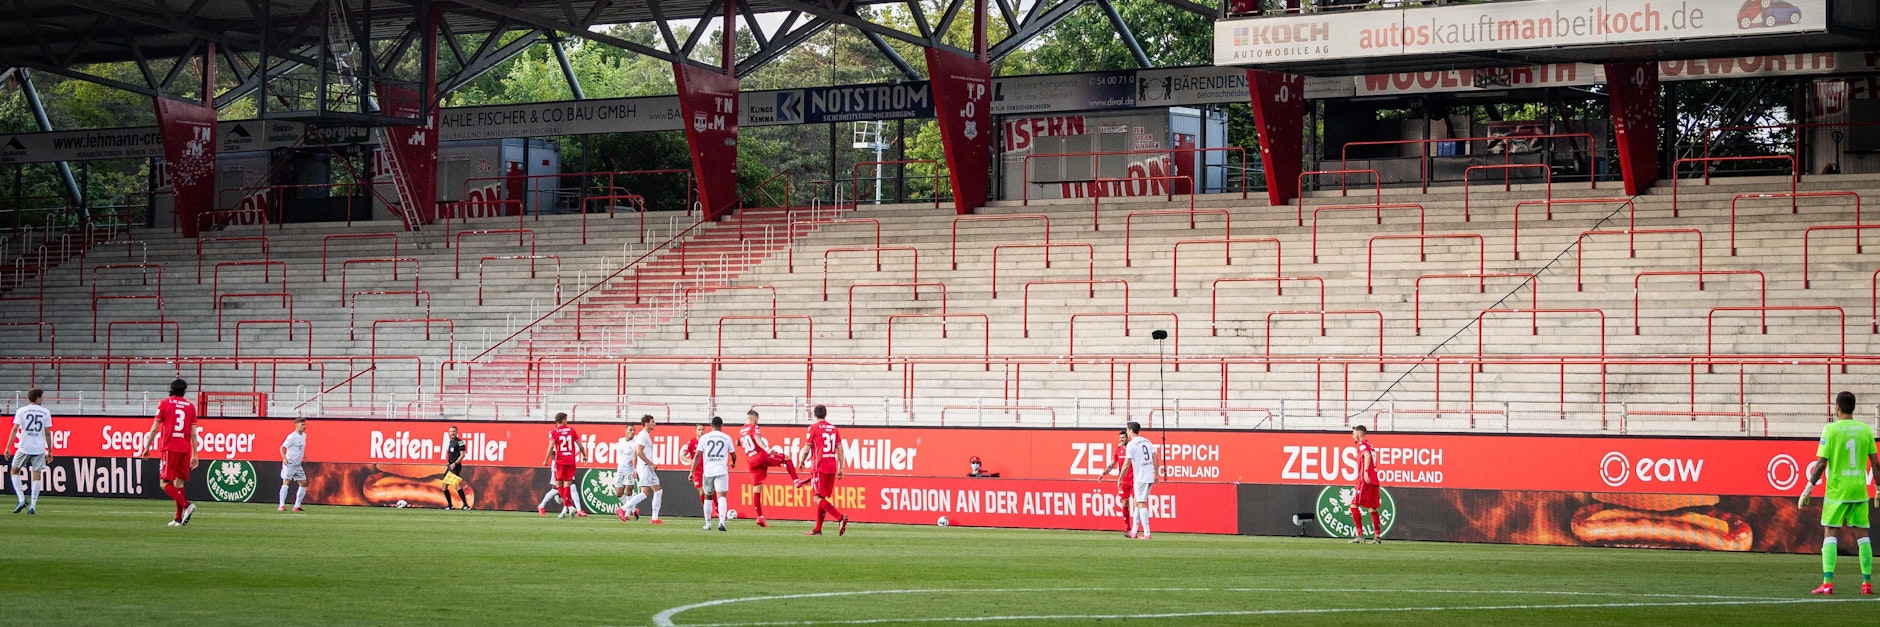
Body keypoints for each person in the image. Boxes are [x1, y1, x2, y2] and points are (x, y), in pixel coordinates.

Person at [1801, 391, 1879, 595]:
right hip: (1859, 490)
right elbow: (1876, 464)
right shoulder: (1865, 430)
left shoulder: (1830, 429)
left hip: (1837, 491)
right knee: (1863, 536)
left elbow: (1821, 463)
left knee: (1830, 532)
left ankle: (1827, 583)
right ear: (1853, 407)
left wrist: (1809, 487)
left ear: (1837, 407)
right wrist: (1878, 488)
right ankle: (1866, 584)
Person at [141, 379, 201, 527]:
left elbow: (154, 428)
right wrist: (195, 455)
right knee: (179, 482)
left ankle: (186, 505)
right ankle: (178, 518)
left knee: (164, 483)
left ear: (171, 389)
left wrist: (147, 447)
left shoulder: (164, 403)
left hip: (170, 447)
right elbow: (194, 434)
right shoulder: (190, 406)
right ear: (184, 390)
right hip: (185, 448)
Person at [738, 409, 798, 527]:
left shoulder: (741, 431)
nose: (757, 421)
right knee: (786, 458)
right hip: (760, 457)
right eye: (757, 419)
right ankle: (796, 480)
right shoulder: (754, 427)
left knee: (757, 487)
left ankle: (760, 517)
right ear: (754, 418)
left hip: (750, 461)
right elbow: (757, 438)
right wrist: (767, 448)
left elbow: (739, 442)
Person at [794, 405, 848, 536]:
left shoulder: (813, 428)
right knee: (822, 497)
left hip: (819, 467)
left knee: (816, 498)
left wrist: (801, 461)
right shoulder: (834, 429)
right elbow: (840, 449)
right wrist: (841, 468)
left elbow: (806, 448)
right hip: (832, 467)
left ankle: (840, 517)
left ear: (814, 415)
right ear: (826, 414)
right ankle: (818, 529)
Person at [7, 388, 51, 515]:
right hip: (39, 448)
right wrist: (50, 450)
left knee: (14, 471)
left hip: (24, 447)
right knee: (36, 475)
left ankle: (21, 499)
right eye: (41, 397)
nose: (42, 399)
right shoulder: (46, 412)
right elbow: (47, 433)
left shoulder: (21, 411)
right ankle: (32, 506)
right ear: (37, 398)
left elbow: (15, 429)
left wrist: (8, 447)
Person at [617, 415, 665, 524]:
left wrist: (635, 468)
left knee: (658, 490)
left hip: (646, 467)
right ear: (646, 423)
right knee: (645, 493)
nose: (654, 424)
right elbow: (638, 451)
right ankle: (622, 509)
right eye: (652, 422)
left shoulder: (644, 435)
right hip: (645, 467)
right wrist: (650, 463)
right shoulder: (643, 435)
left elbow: (635, 452)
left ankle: (654, 518)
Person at [542, 412, 590, 519]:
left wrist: (545, 460)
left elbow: (551, 447)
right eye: (566, 419)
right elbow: (580, 445)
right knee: (567, 484)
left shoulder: (554, 432)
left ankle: (569, 506)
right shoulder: (571, 430)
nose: (567, 421)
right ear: (563, 420)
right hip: (571, 461)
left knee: (558, 484)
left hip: (560, 461)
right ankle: (568, 507)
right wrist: (584, 455)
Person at [696, 417, 737, 531]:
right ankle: (722, 523)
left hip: (708, 471)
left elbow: (697, 455)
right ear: (721, 425)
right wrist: (733, 462)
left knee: (707, 498)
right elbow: (733, 454)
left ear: (711, 425)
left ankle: (708, 524)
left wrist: (691, 471)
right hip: (721, 471)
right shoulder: (727, 437)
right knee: (721, 497)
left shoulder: (704, 438)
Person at [1349, 425, 1384, 544]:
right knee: (1372, 508)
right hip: (1374, 480)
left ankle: (1360, 535)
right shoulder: (1370, 445)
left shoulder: (1362, 444)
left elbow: (1367, 455)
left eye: (1354, 434)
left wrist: (1365, 472)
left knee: (1353, 505)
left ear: (1359, 435)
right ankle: (1377, 537)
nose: (1352, 436)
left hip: (1365, 480)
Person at [1123, 421, 1157, 540]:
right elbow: (1155, 458)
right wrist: (1156, 474)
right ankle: (1134, 531)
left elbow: (1126, 464)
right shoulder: (1147, 441)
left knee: (1141, 503)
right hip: (1148, 476)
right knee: (1137, 502)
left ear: (1131, 430)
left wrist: (1120, 478)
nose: (1126, 432)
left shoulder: (1131, 445)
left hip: (1140, 478)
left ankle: (1147, 533)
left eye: (1127, 430)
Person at [1097, 429, 1133, 536]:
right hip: (1123, 481)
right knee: (1124, 503)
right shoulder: (1118, 449)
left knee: (1137, 503)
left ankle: (1137, 528)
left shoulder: (1132, 448)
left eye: (1123, 437)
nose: (1121, 440)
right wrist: (1104, 473)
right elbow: (1112, 463)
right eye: (1120, 438)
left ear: (1128, 438)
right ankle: (1128, 528)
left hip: (1135, 480)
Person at [610, 423, 640, 520]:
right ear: (626, 431)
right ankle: (633, 509)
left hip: (629, 470)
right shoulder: (621, 441)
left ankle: (627, 514)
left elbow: (640, 453)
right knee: (618, 493)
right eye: (630, 430)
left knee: (628, 490)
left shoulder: (636, 442)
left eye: (633, 430)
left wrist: (635, 461)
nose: (632, 432)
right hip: (620, 469)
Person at [277, 418, 308, 512]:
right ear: (296, 425)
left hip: (298, 464)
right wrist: (284, 458)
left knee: (304, 483)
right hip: (289, 463)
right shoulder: (292, 436)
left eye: (304, 424)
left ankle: (297, 506)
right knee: (286, 482)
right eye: (302, 425)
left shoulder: (304, 435)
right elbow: (282, 447)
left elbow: (301, 448)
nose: (304, 426)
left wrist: (304, 455)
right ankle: (281, 506)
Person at [680, 424, 707, 517]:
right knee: (702, 491)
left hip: (707, 470)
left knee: (710, 491)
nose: (701, 431)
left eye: (703, 429)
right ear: (696, 431)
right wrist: (690, 461)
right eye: (699, 429)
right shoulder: (692, 442)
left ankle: (712, 510)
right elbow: (682, 455)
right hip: (697, 471)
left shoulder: (707, 442)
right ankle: (706, 510)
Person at [442, 426, 470, 510]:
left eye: (454, 431)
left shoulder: (460, 442)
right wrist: (449, 463)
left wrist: (455, 463)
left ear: (456, 432)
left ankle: (465, 505)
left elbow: (462, 455)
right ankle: (450, 505)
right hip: (450, 466)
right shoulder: (450, 442)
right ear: (449, 433)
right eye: (451, 431)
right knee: (444, 487)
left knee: (456, 485)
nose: (452, 433)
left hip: (455, 466)